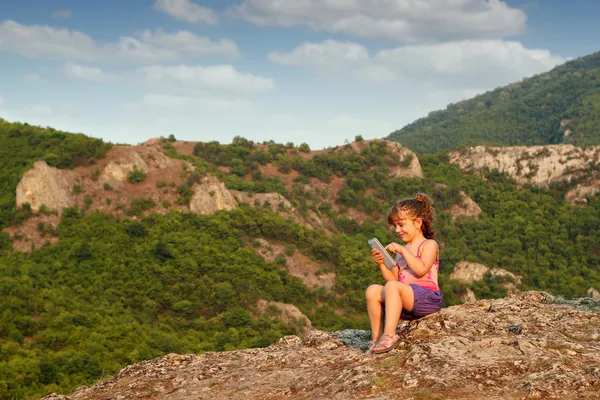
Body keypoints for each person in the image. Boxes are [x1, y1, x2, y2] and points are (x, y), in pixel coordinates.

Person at [365, 193, 443, 354]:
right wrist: (381, 264)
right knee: (373, 290)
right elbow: (393, 280)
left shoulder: (429, 245)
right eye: (395, 226)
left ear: (418, 223)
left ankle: (390, 335)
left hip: (427, 299)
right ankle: (377, 338)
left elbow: (421, 269)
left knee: (393, 287)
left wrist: (402, 250)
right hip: (406, 301)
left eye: (401, 225)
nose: (397, 230)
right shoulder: (401, 252)